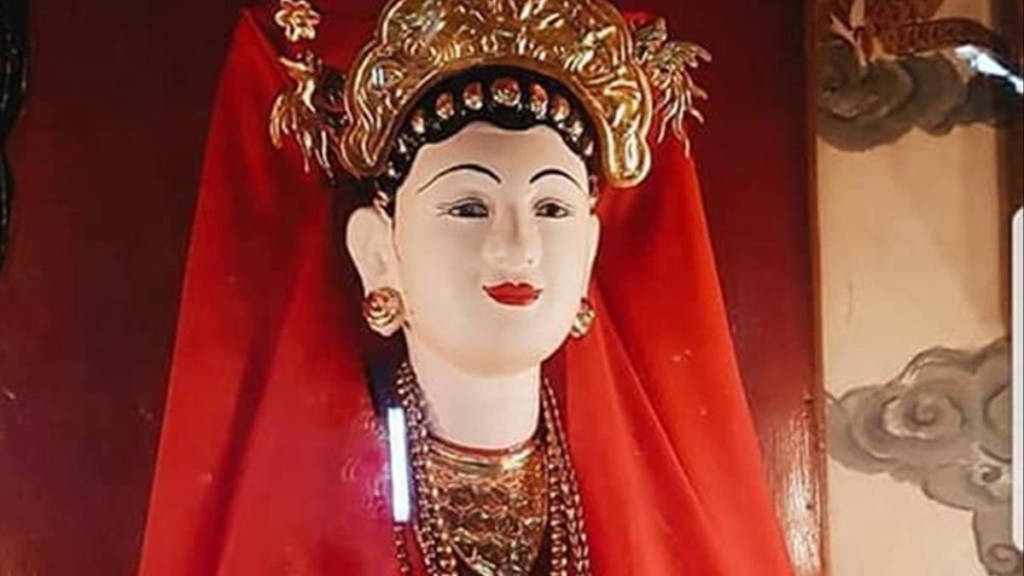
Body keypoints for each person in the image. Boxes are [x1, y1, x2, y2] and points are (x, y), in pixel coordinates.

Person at [138, 0, 794, 574]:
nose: (517, 247)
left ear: (590, 250)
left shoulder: (647, 513)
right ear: (379, 254)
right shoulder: (301, 513)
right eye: (469, 208)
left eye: (552, 209)